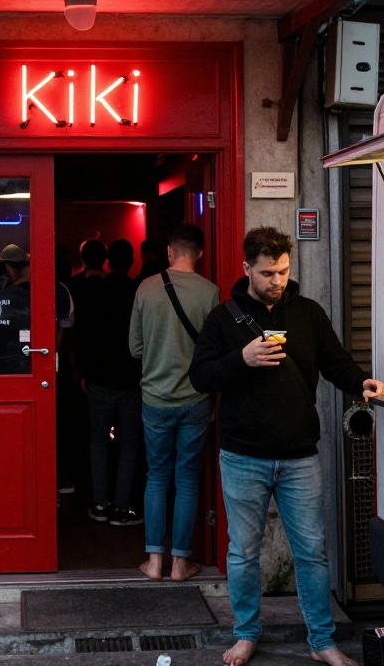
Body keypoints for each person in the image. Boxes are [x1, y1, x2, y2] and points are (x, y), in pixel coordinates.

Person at [189, 227, 384, 666]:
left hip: (300, 455)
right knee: (243, 553)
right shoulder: (224, 319)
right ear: (246, 269)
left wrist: (361, 383)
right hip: (242, 455)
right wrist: (243, 359)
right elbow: (200, 376)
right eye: (266, 273)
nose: (275, 280)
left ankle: (321, 641)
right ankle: (245, 635)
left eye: (282, 271)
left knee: (312, 552)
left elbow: (335, 362)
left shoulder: (308, 313)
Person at [129, 223, 219, 581]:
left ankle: (153, 561)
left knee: (157, 477)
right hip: (195, 399)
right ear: (200, 252)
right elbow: (214, 352)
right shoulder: (211, 293)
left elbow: (134, 348)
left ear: (169, 251)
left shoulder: (146, 289)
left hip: (155, 398)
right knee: (187, 479)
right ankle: (181, 563)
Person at [74, 239, 144, 526]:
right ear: (131, 262)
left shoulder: (94, 290)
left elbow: (84, 335)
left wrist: (83, 372)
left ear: (107, 261)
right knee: (129, 443)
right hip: (131, 378)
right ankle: (122, 506)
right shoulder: (139, 291)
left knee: (98, 441)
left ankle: (100, 503)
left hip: (100, 376)